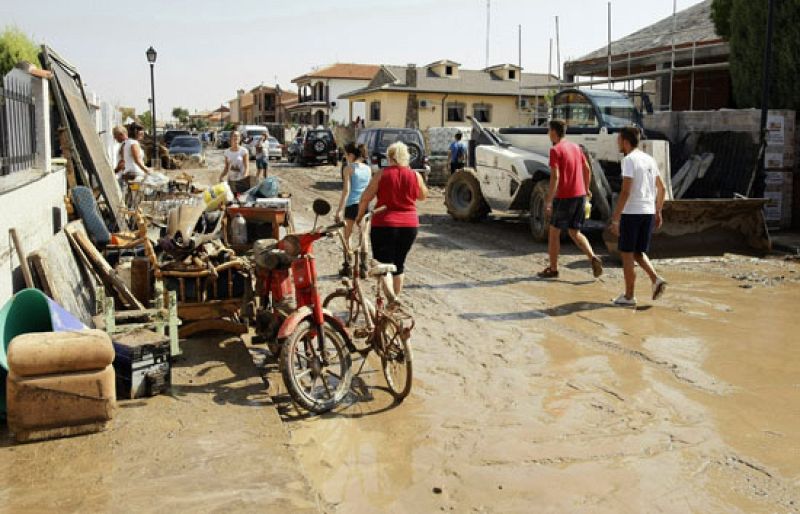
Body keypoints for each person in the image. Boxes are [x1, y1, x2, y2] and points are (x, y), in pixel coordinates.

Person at [357, 141, 428, 297]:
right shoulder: (415, 175)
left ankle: (390, 300)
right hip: (409, 226)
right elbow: (423, 196)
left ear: (389, 157)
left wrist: (359, 217)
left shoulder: (382, 174)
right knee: (398, 265)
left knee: (384, 266)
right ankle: (395, 300)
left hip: (384, 224)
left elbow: (365, 198)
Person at [609, 126, 667, 306]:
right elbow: (662, 188)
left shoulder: (628, 160)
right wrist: (658, 211)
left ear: (626, 142)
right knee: (637, 252)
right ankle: (656, 279)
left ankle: (629, 296)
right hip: (648, 211)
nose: (617, 143)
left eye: (619, 140)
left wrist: (615, 218)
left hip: (632, 212)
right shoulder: (649, 159)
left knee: (627, 254)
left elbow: (625, 191)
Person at [538, 119, 603, 279]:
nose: (548, 133)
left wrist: (548, 200)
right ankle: (592, 257)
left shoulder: (555, 150)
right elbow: (587, 169)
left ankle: (553, 269)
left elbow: (555, 177)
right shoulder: (576, 147)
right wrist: (586, 189)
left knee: (554, 233)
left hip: (564, 197)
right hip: (579, 196)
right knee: (575, 232)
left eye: (549, 130)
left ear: (554, 132)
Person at [335, 142, 371, 277]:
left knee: (347, 235)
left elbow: (346, 191)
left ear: (351, 155)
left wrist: (339, 210)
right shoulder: (368, 169)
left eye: (346, 154)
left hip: (352, 205)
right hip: (364, 205)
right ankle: (364, 267)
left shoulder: (348, 169)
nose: (345, 157)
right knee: (364, 235)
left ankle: (348, 266)